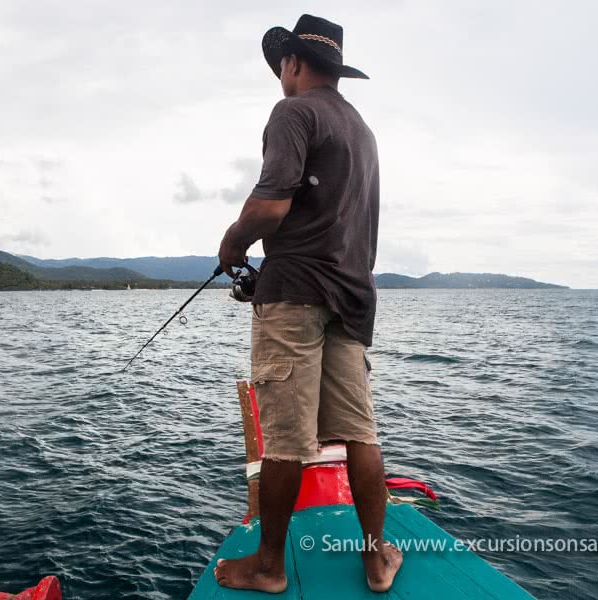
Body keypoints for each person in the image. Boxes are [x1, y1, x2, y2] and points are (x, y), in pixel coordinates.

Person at [215, 14, 401, 594]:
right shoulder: (362, 130)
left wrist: (232, 243)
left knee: (288, 440)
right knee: (359, 436)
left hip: (293, 296)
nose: (280, 77)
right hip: (352, 300)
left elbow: (271, 206)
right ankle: (376, 560)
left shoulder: (293, 112)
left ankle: (269, 567)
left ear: (294, 64)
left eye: (281, 67)